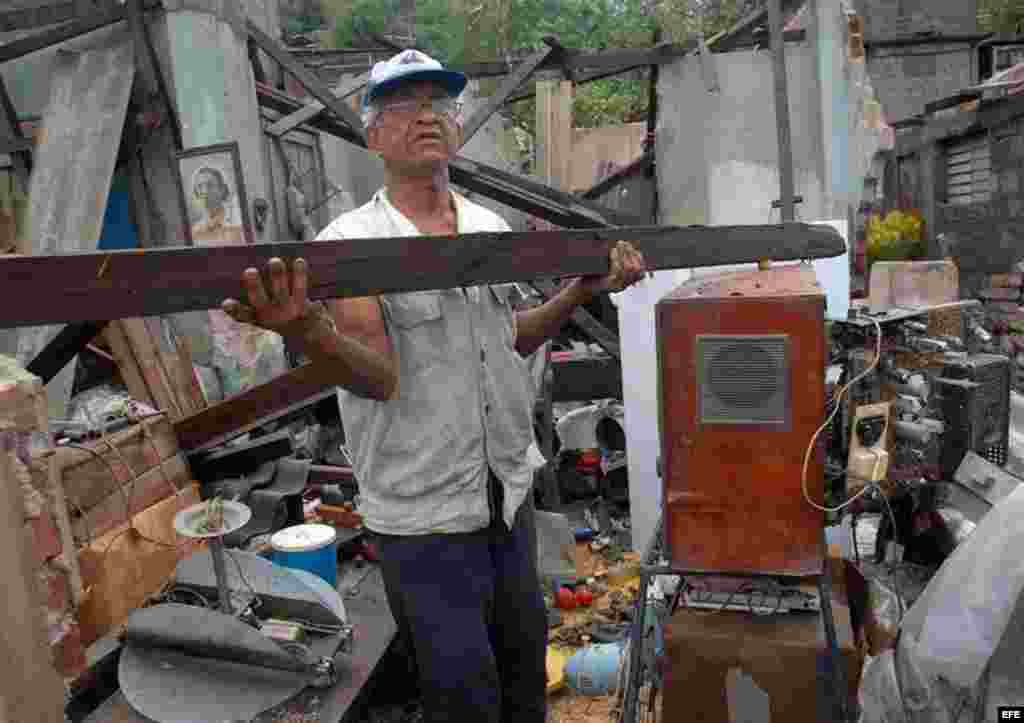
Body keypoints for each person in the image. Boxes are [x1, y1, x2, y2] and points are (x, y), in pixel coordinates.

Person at [221, 49, 647, 723]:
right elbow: (379, 376)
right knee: (463, 699)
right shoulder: (353, 243)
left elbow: (509, 338)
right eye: (403, 104)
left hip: (505, 499)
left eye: (439, 103)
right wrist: (305, 328)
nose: (426, 116)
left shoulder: (490, 229)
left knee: (524, 681)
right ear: (372, 135)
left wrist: (580, 291)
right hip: (422, 523)